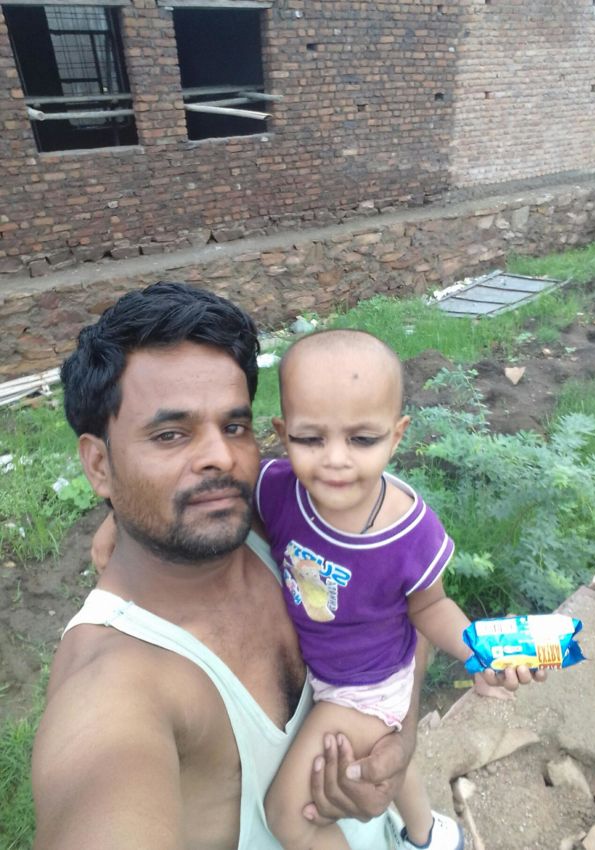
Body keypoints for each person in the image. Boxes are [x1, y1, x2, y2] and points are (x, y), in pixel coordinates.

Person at [31, 282, 424, 850]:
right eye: (171, 434)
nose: (221, 456)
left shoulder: (280, 528)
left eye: (235, 427)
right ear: (98, 465)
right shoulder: (111, 687)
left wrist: (400, 740)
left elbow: (403, 608)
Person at [253, 329, 546, 850]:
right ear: (282, 432)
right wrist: (122, 521)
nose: (335, 459)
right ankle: (427, 834)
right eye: (310, 438)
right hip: (330, 670)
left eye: (362, 439)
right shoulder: (277, 489)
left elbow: (431, 607)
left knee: (287, 816)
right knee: (397, 765)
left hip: (366, 691)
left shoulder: (409, 531)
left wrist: (480, 651)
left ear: (397, 435)